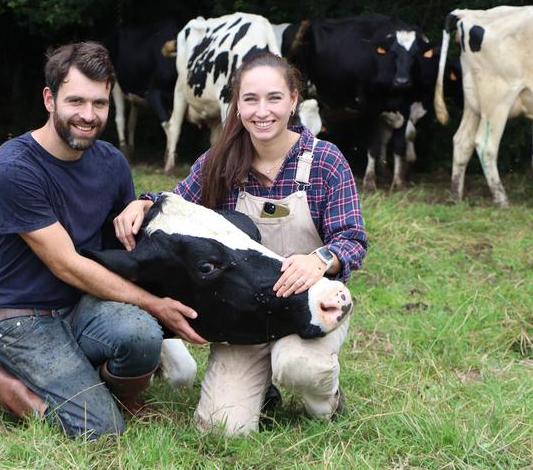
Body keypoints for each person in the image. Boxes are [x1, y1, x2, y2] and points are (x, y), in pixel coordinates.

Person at [0, 41, 205, 439]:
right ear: (49, 98)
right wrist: (155, 304)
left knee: (143, 335)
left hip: (83, 307)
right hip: (24, 319)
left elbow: (126, 248)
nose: (88, 116)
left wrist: (145, 203)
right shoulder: (15, 166)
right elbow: (65, 263)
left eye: (100, 104)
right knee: (101, 432)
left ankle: (117, 395)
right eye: (76, 101)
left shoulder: (111, 163)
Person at [114, 52, 368, 436]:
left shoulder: (325, 161)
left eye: (274, 98)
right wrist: (145, 201)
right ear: (236, 104)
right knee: (222, 429)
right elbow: (178, 204)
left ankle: (326, 400)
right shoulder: (219, 162)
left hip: (312, 300)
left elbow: (352, 239)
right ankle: (261, 389)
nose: (261, 111)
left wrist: (320, 259)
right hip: (246, 313)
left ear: (294, 100)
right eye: (249, 100)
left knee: (299, 367)